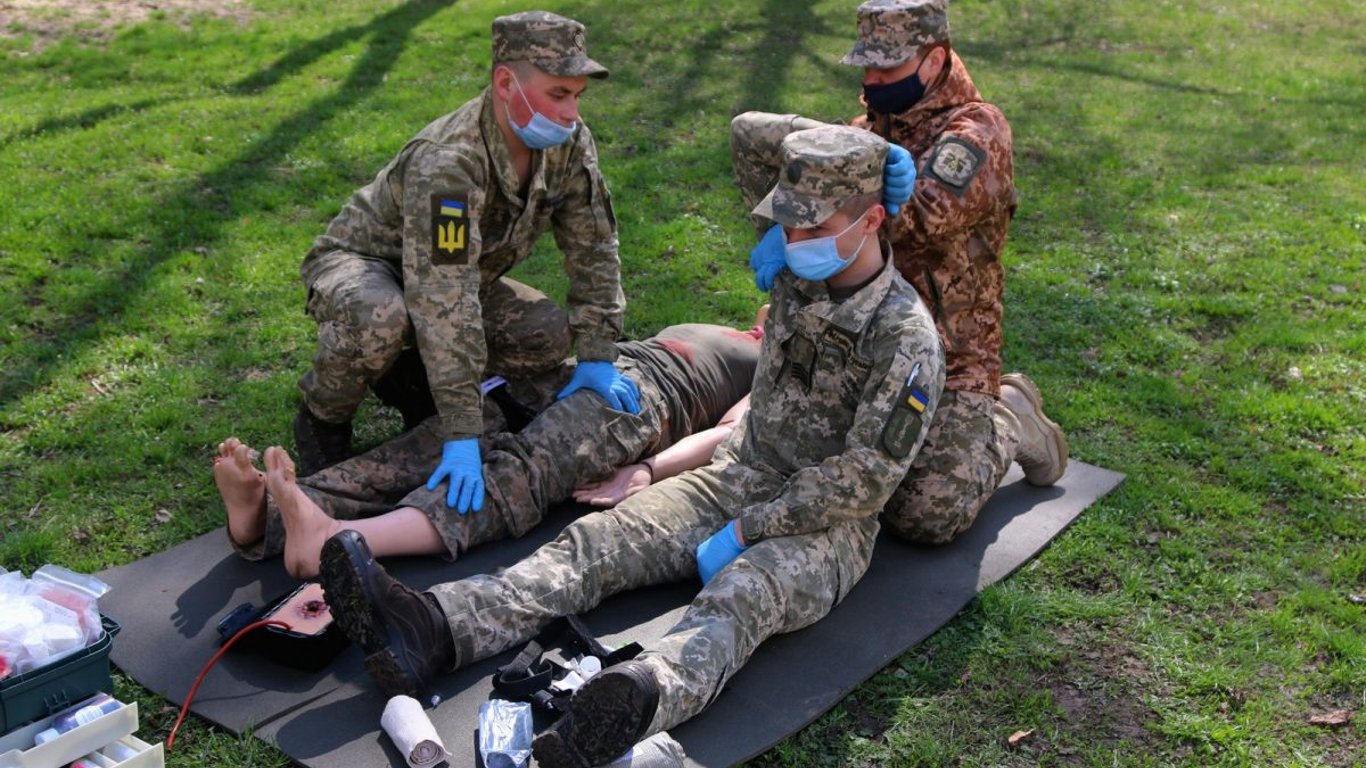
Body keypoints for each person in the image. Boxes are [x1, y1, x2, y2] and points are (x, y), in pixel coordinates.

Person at [314, 126, 945, 768]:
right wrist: (869, 154)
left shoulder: (904, 338)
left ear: (871, 220)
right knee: (599, 543)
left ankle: (631, 703)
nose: (794, 239)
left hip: (826, 526)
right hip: (740, 473)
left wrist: (750, 529)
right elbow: (747, 134)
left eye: (815, 227)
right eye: (788, 224)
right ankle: (433, 627)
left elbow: (865, 480)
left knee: (743, 593)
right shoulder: (799, 269)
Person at [730, 0, 1068, 547]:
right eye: (865, 66)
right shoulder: (871, 125)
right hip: (860, 339)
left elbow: (923, 216)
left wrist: (859, 179)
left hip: (950, 355)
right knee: (795, 466)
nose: (871, 80)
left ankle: (1009, 417)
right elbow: (762, 142)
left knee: (924, 513)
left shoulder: (977, 132)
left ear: (933, 60)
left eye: (886, 68)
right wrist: (790, 222)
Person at [293, 11, 640, 520]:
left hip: (456, 276)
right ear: (505, 84)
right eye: (558, 94)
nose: (570, 112)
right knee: (379, 318)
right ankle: (322, 420)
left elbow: (594, 245)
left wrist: (598, 351)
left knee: (545, 333)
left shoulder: (567, 141)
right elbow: (444, 296)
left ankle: (409, 378)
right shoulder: (449, 162)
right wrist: (462, 429)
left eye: (577, 95)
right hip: (370, 266)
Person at [214, 317, 762, 578]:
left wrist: (646, 469)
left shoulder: (779, 364)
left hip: (643, 403)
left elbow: (731, 432)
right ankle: (265, 515)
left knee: (517, 475)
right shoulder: (739, 329)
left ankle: (334, 538)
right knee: (447, 439)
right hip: (594, 371)